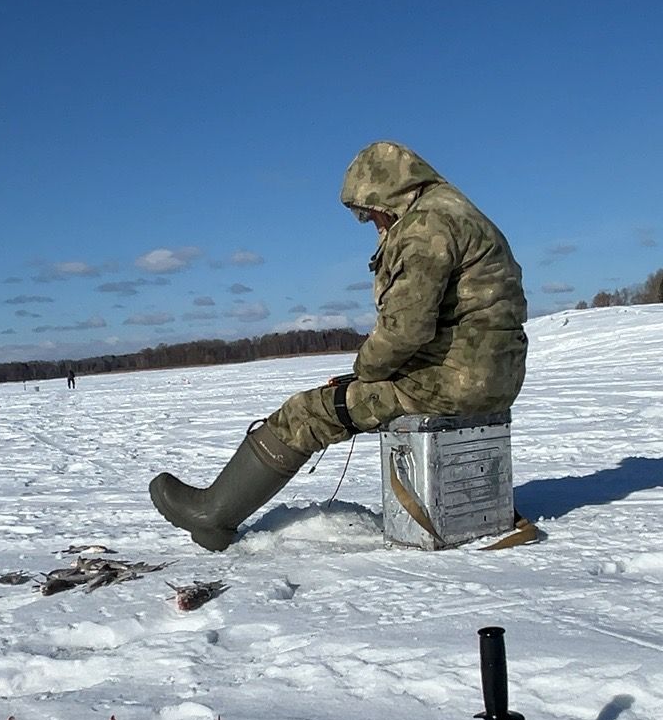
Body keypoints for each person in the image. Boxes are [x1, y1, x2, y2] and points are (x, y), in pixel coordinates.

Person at [149, 140, 528, 550]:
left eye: (369, 213)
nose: (373, 223)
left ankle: (213, 515)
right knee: (344, 399)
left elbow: (406, 330)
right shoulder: (459, 211)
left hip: (449, 382)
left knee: (306, 412)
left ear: (388, 193)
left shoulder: (425, 227)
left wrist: (363, 371)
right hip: (493, 377)